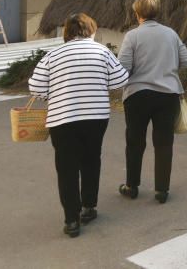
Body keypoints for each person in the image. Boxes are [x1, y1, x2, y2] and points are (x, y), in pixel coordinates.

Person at [28, 13, 129, 238]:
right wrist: (101, 85)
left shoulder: (53, 55)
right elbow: (121, 79)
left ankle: (71, 220)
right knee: (91, 160)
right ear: (91, 30)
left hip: (62, 119)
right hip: (95, 117)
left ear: (67, 32)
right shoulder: (102, 51)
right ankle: (89, 207)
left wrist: (51, 94)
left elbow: (35, 86)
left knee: (66, 168)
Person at [118, 0, 187, 204]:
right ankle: (162, 190)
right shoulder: (171, 34)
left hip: (137, 95)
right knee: (164, 142)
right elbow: (185, 60)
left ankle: (131, 186)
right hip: (168, 95)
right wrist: (168, 68)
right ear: (158, 12)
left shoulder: (132, 36)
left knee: (135, 141)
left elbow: (123, 66)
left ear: (137, 13)